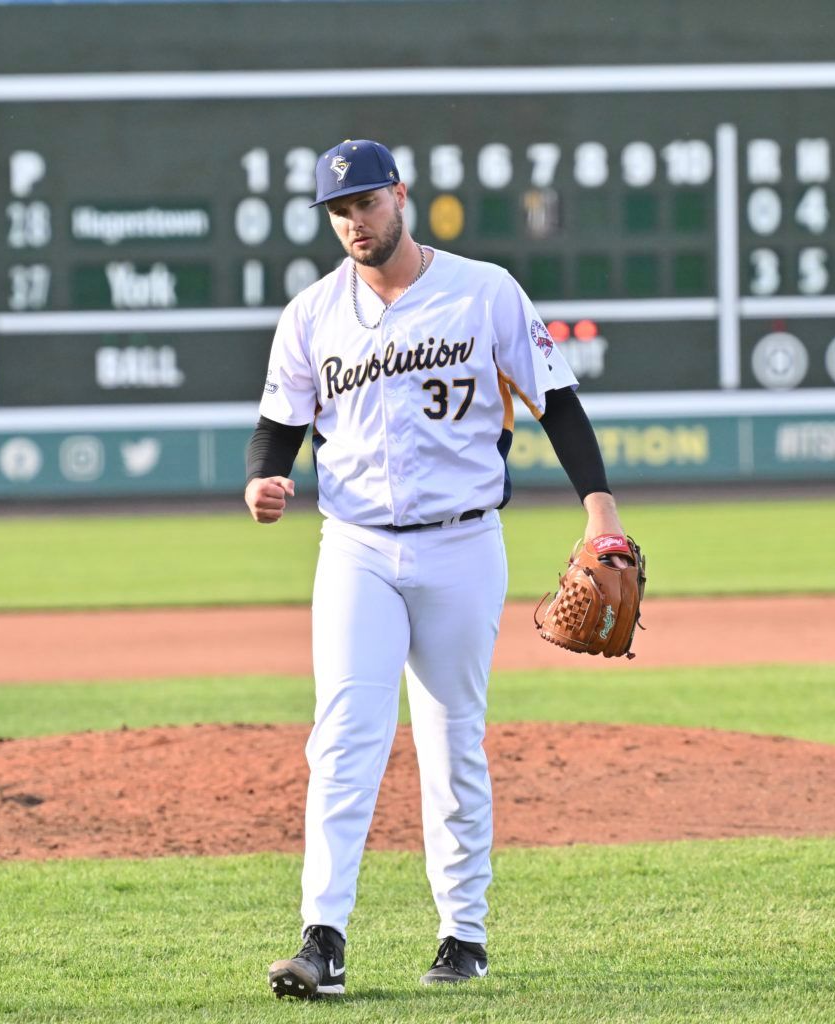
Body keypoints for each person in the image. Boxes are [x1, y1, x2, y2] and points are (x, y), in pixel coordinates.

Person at [245, 139, 627, 999]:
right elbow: (279, 423)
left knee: (453, 740)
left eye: (366, 202)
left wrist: (599, 507)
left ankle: (463, 936)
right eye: (339, 211)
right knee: (344, 736)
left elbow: (558, 401)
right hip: (356, 547)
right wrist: (263, 478)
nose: (354, 221)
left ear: (400, 196)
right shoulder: (311, 313)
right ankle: (322, 939)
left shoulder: (483, 290)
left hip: (463, 544)